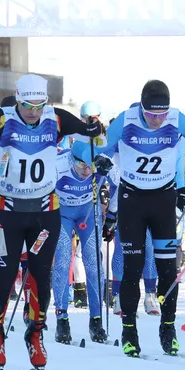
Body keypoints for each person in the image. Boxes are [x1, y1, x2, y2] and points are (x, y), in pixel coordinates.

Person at [0, 75, 101, 370]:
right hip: (5, 212)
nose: (34, 112)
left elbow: (89, 132)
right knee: (4, 275)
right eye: (27, 105)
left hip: (44, 212)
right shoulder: (4, 117)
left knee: (41, 277)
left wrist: (94, 129)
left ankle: (35, 333)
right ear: (18, 98)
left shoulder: (56, 118)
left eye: (39, 106)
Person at [100, 79, 185, 356]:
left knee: (168, 271)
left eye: (161, 114)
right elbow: (101, 149)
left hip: (163, 200)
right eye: (152, 114)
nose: (157, 120)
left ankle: (168, 328)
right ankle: (129, 330)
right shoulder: (125, 119)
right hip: (132, 200)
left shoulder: (177, 118)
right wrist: (101, 161)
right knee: (133, 268)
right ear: (142, 107)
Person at [51, 140, 106, 344]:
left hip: (88, 212)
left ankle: (96, 319)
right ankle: (62, 319)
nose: (86, 170)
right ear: (72, 159)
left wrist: (112, 216)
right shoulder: (58, 164)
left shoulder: (99, 163)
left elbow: (121, 177)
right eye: (82, 164)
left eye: (90, 166)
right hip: (62, 212)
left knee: (93, 263)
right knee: (63, 259)